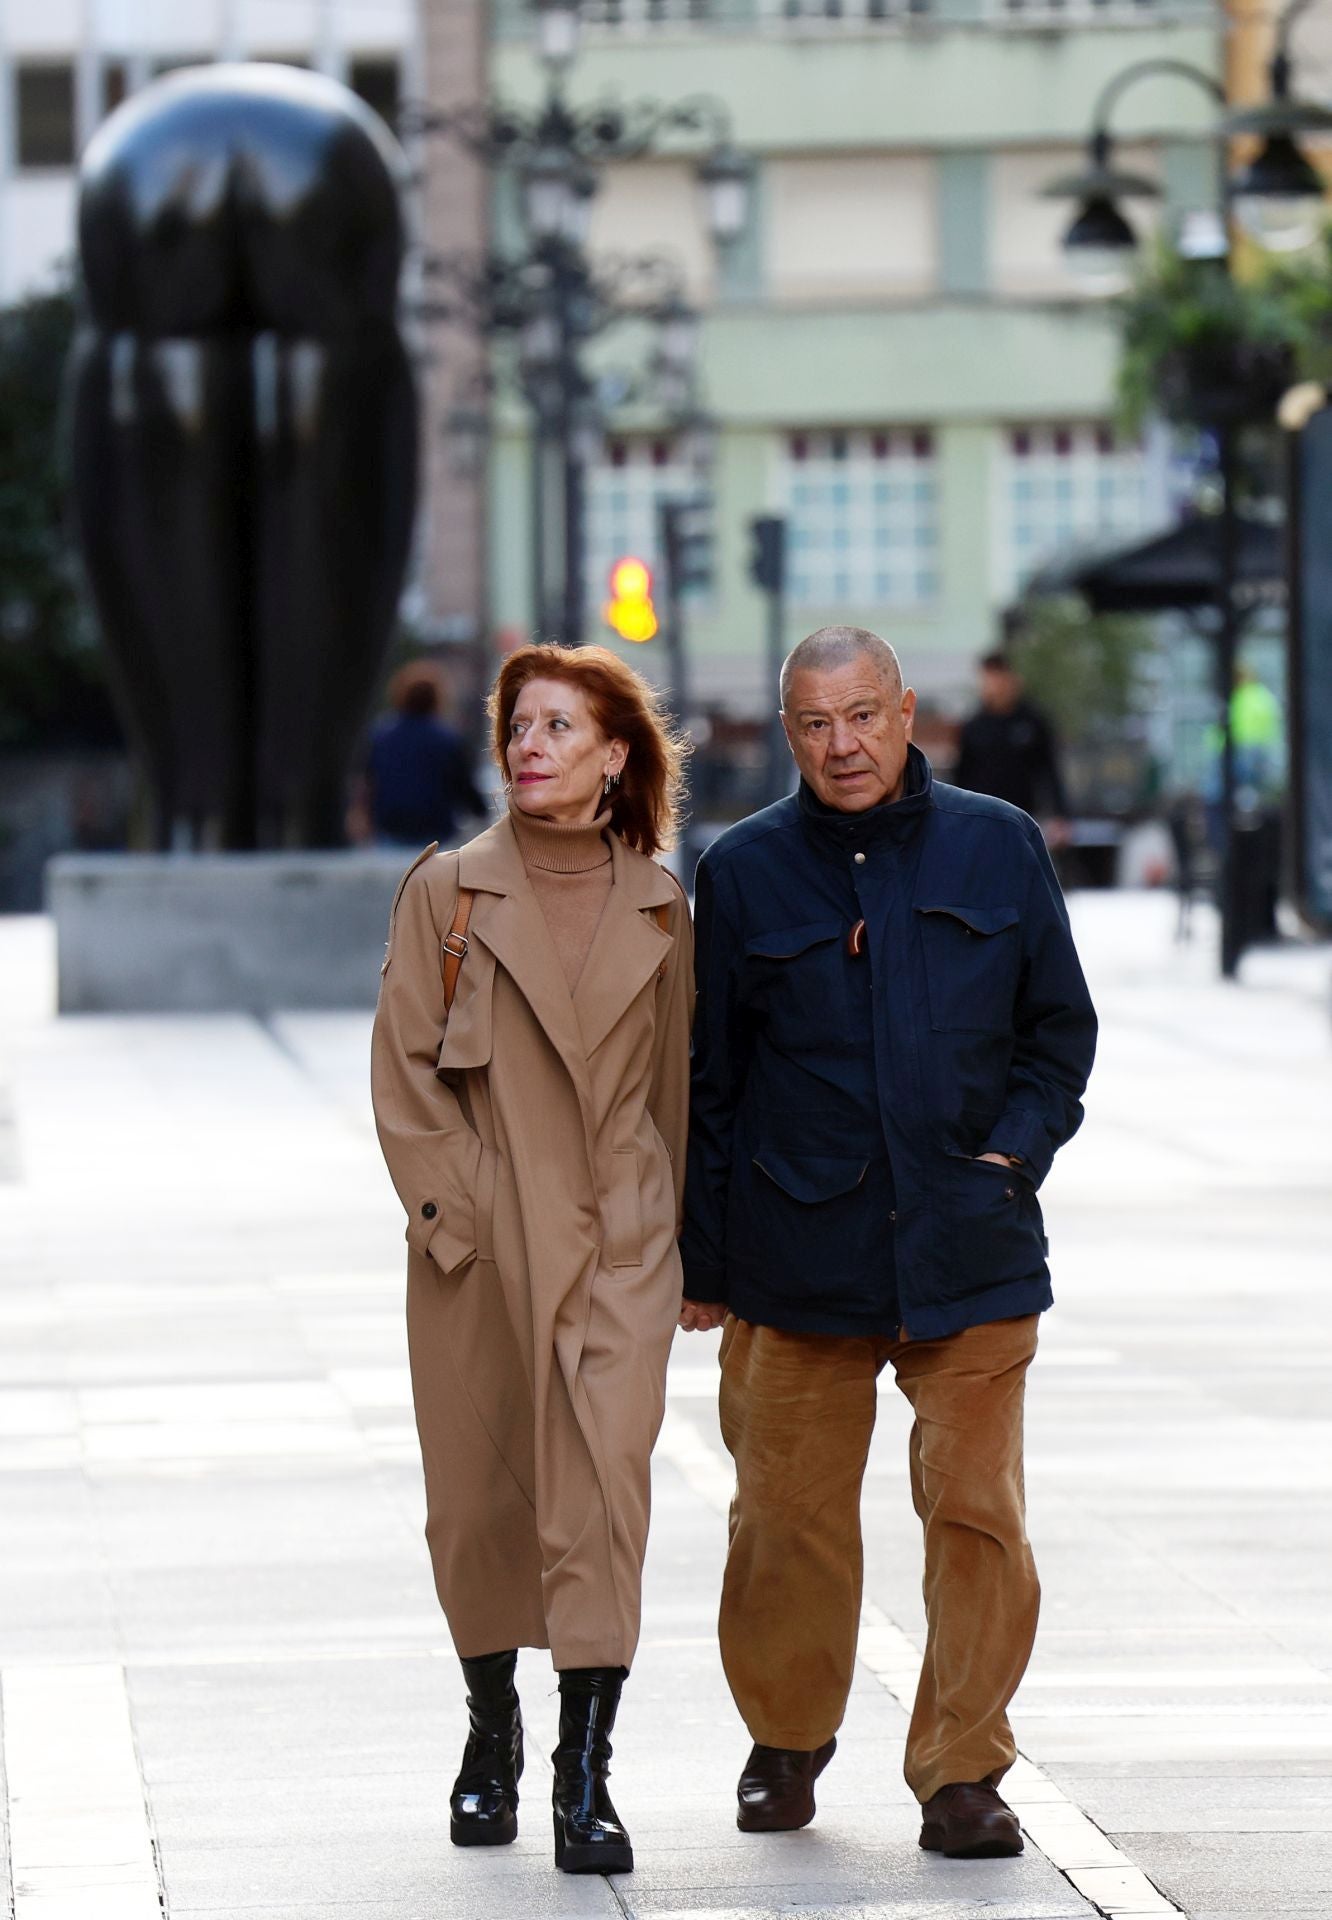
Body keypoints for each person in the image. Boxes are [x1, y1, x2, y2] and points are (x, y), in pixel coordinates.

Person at [679, 626, 1096, 1859]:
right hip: (796, 1253)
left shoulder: (999, 844)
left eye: (863, 715)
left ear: (909, 713)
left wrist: (1012, 1156)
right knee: (784, 1519)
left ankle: (963, 1769)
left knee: (977, 1514)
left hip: (970, 1243)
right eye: (814, 723)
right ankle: (789, 1737)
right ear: (788, 730)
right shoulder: (744, 871)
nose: (841, 745)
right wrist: (707, 1263)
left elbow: (1057, 1034)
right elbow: (710, 1080)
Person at [371, 644, 694, 1878]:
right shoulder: (445, 893)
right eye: (520, 724)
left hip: (619, 1241)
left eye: (562, 726)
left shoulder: (663, 907)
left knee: (606, 1497)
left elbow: (672, 1090)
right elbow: (403, 1076)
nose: (530, 743)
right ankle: (491, 1728)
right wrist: (454, 1228)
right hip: (478, 1245)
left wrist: (675, 1248)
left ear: (616, 757)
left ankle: (584, 1775)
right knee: (479, 1504)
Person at [359, 661, 487, 848]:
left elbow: (369, 783)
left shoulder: (381, 736)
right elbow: (464, 786)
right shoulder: (447, 739)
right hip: (436, 833)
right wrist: (483, 813)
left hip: (390, 829)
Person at [952, 650, 1069, 833]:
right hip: (982, 818)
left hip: (1024, 816)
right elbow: (961, 776)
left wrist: (1060, 815)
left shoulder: (1032, 721)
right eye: (987, 678)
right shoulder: (974, 726)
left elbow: (1049, 770)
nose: (992, 685)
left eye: (997, 677)